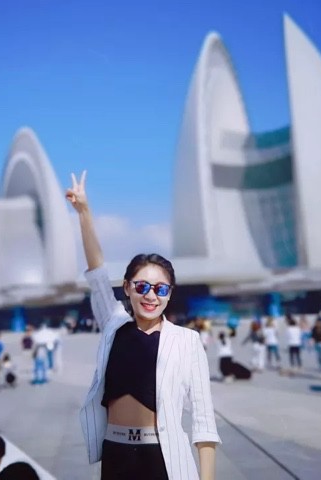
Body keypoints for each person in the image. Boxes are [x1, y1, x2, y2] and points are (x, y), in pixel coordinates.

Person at [66, 171, 220, 480]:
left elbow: (204, 422)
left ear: (170, 294)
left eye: (161, 289)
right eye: (142, 286)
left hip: (161, 457)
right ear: (127, 287)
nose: (151, 296)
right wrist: (84, 212)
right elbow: (97, 272)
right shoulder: (114, 324)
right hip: (116, 455)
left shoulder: (187, 341)